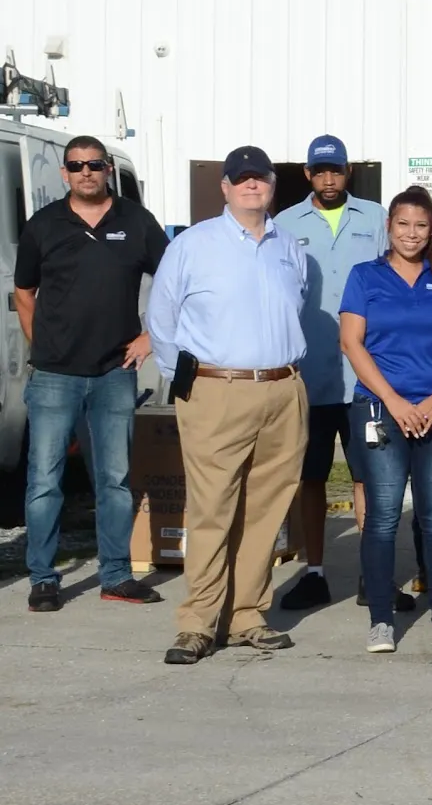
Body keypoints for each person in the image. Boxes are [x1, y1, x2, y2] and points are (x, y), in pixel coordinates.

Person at [145, 147, 309, 664]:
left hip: (282, 388)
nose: (251, 185)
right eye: (242, 179)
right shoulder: (193, 245)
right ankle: (198, 622)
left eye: (260, 177)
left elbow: (297, 304)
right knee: (212, 509)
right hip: (217, 389)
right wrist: (188, 381)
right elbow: (161, 320)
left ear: (272, 184)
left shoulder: (289, 245)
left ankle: (246, 615)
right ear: (225, 187)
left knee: (266, 509)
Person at [13, 133, 169, 609]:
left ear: (107, 170)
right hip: (54, 375)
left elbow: (174, 280)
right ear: (65, 173)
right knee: (45, 480)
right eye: (77, 165)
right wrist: (43, 346)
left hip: (114, 372)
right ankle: (43, 579)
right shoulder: (44, 225)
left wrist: (152, 336)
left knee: (114, 480)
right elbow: (24, 292)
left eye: (95, 164)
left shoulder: (136, 222)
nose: (86, 172)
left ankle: (116, 576)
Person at [340, 190, 432, 653]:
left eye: (421, 226)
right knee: (382, 518)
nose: (412, 234)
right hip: (381, 411)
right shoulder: (365, 276)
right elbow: (352, 343)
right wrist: (394, 401)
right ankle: (381, 620)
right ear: (389, 227)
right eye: (403, 224)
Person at [274, 136, 383, 616]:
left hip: (364, 377)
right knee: (312, 477)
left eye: (335, 170)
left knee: (367, 477)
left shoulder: (375, 218)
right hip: (311, 376)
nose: (328, 179)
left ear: (348, 171)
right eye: (320, 172)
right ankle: (315, 572)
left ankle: (371, 573)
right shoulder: (284, 224)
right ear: (307, 174)